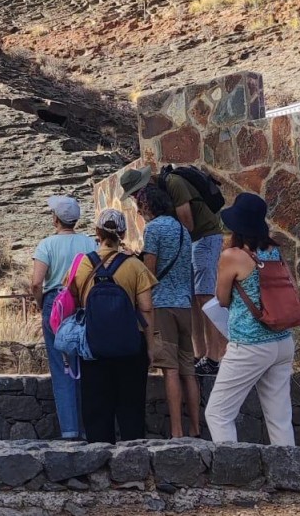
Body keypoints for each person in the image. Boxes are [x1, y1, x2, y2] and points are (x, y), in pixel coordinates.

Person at [203, 193, 295, 446]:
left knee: (218, 413)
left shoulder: (233, 256)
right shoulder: (274, 251)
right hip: (282, 341)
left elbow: (221, 298)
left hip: (250, 344)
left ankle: (234, 473)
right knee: (279, 418)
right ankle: (290, 475)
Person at [120, 165, 226, 375]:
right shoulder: (161, 193)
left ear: (145, 185)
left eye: (136, 194)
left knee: (204, 295)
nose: (136, 199)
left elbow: (187, 224)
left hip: (205, 237)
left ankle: (214, 357)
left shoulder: (173, 184)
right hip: (192, 242)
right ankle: (200, 354)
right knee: (192, 297)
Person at [71, 209, 156, 444]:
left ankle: (99, 462)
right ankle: (133, 460)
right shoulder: (135, 266)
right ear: (122, 233)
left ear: (97, 232)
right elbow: (147, 308)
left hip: (93, 344)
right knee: (131, 406)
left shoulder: (82, 264)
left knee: (96, 407)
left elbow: (72, 300)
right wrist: (150, 346)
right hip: (130, 343)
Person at [136, 183, 201, 439]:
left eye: (140, 207)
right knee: (188, 369)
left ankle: (176, 432)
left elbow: (150, 273)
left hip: (162, 305)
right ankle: (196, 428)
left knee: (170, 369)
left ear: (149, 205)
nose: (140, 212)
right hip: (184, 304)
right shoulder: (183, 230)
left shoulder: (153, 229)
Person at [31, 195, 97, 440]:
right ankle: (90, 427)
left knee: (62, 368)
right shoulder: (90, 243)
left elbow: (37, 282)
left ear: (55, 219)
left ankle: (69, 430)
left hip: (55, 305)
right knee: (86, 363)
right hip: (83, 304)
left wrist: (41, 305)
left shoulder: (46, 245)